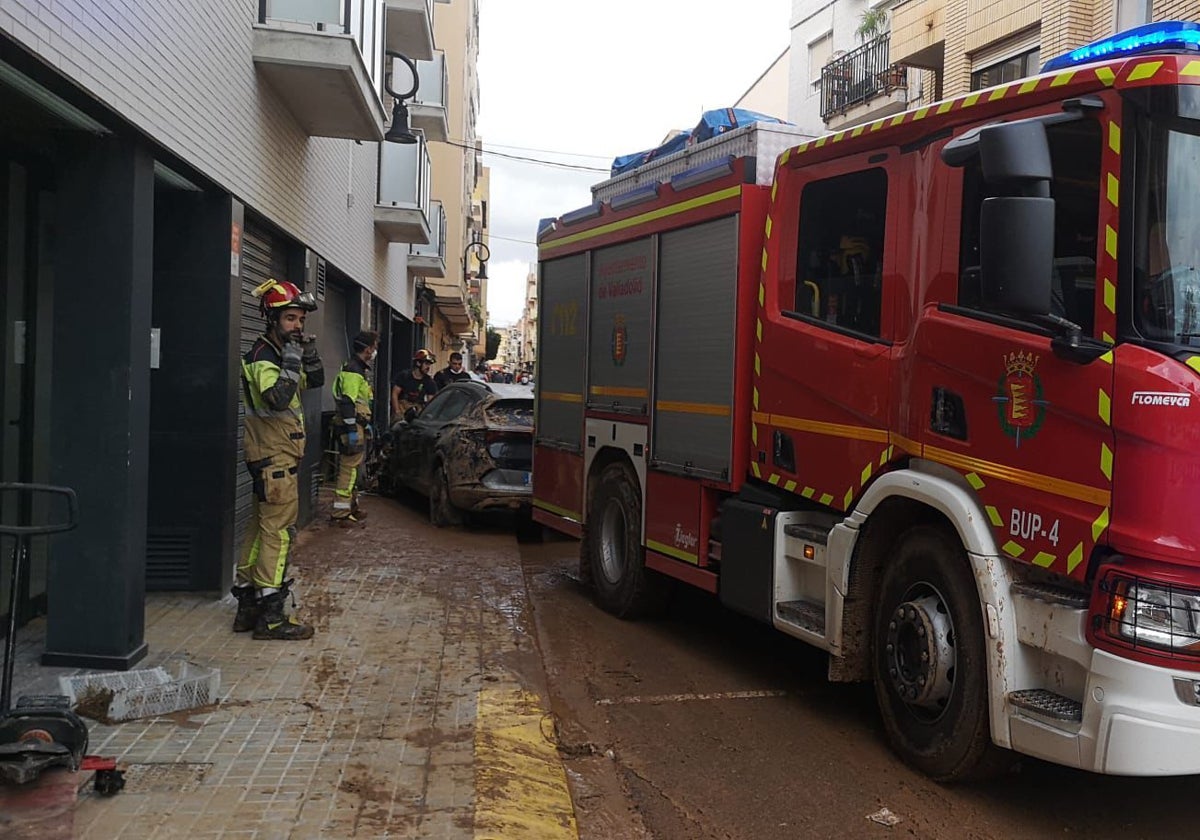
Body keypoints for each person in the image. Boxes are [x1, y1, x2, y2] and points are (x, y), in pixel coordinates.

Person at [232, 278, 323, 641]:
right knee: (279, 534)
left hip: (272, 457)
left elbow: (312, 382)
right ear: (272, 318)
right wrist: (291, 359)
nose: (298, 326)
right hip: (274, 459)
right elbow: (277, 398)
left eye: (301, 319)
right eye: (290, 319)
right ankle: (271, 617)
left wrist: (308, 356)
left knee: (258, 531)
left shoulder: (279, 352)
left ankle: (247, 609)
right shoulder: (264, 356)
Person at [331, 330, 378, 526]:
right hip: (352, 425)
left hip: (358, 424)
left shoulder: (356, 368)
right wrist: (351, 429)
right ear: (367, 349)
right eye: (374, 348)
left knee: (353, 469)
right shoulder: (353, 370)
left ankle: (351, 507)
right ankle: (340, 515)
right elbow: (347, 402)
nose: (375, 352)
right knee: (348, 469)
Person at [391, 348, 439, 422]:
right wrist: (397, 412)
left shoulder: (430, 382)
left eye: (429, 364)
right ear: (418, 363)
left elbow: (431, 402)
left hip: (418, 412)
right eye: (426, 364)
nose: (428, 367)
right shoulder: (404, 376)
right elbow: (395, 394)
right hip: (402, 409)